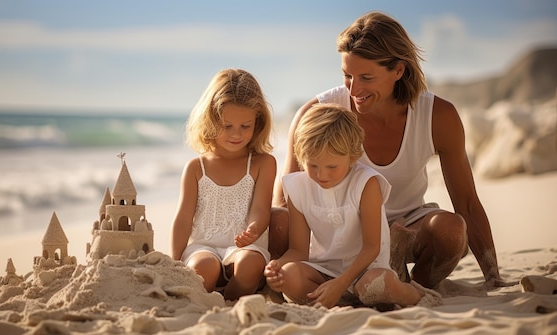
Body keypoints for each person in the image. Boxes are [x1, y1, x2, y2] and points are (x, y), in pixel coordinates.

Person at [271, 11, 508, 290]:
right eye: (347, 76)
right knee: (278, 218)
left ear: (398, 70)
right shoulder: (318, 113)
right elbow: (285, 202)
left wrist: (492, 276)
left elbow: (466, 203)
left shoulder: (437, 116)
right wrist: (274, 270)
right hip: (341, 233)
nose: (354, 89)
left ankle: (412, 287)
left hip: (407, 230)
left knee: (452, 230)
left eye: (366, 77)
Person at [264, 103, 438, 308]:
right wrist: (277, 267)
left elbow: (372, 247)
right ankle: (347, 300)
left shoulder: (366, 183)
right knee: (289, 275)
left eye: (332, 166)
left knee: (375, 284)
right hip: (325, 270)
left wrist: (343, 282)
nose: (322, 175)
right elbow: (298, 251)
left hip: (366, 269)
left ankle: (412, 294)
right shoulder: (297, 187)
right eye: (313, 166)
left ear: (352, 157)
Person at [171, 68, 277, 301]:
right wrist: (175, 262)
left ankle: (227, 299)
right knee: (204, 267)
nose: (236, 134)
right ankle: (211, 294)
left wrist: (254, 230)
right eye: (227, 126)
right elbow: (183, 219)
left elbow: (261, 208)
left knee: (249, 264)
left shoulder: (262, 163)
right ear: (210, 119)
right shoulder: (196, 167)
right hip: (203, 247)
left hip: (245, 249)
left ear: (258, 122)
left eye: (245, 126)